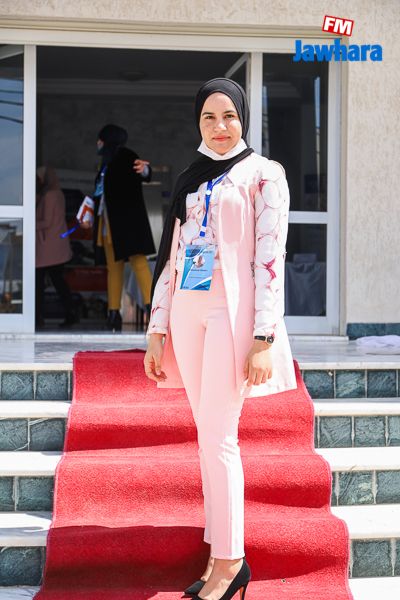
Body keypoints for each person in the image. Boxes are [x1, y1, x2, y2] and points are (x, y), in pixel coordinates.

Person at [144, 78, 297, 600]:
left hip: (233, 312)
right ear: (198, 122)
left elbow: (270, 259)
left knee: (220, 436)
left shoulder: (264, 174)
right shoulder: (191, 177)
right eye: (209, 117)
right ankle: (218, 554)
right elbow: (171, 257)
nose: (220, 126)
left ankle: (231, 563)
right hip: (189, 311)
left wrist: (263, 335)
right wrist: (157, 328)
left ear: (244, 118)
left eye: (229, 115)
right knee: (206, 435)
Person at [91, 124, 155, 332]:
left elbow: (143, 172)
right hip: (108, 223)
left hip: (128, 222)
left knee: (139, 263)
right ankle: (113, 313)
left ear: (108, 140)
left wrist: (146, 171)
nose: (98, 143)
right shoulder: (105, 163)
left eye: (101, 139)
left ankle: (154, 310)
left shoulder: (127, 156)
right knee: (114, 268)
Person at [35, 165, 76, 329]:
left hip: (48, 247)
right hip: (55, 246)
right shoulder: (57, 193)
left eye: (39, 179)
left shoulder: (50, 195)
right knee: (58, 282)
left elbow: (46, 222)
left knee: (40, 283)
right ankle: (70, 313)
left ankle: (37, 317)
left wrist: (27, 222)